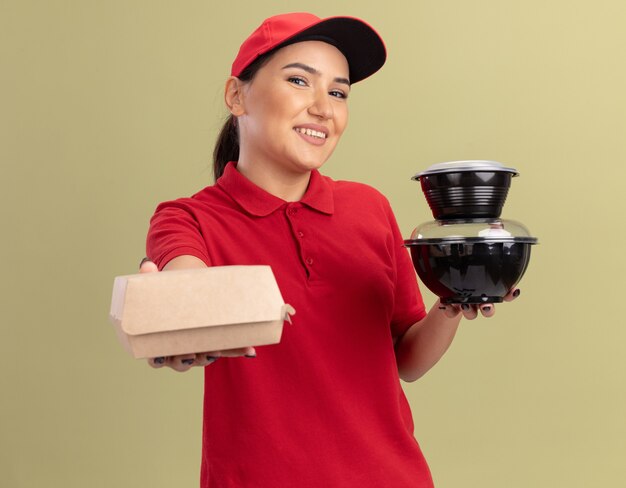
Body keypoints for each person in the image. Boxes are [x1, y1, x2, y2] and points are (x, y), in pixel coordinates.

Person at [140, 12, 519, 487]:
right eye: (300, 81)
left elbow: (406, 360)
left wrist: (452, 301)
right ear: (237, 95)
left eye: (338, 92)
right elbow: (184, 278)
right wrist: (183, 319)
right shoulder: (190, 218)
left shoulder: (369, 208)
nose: (323, 107)